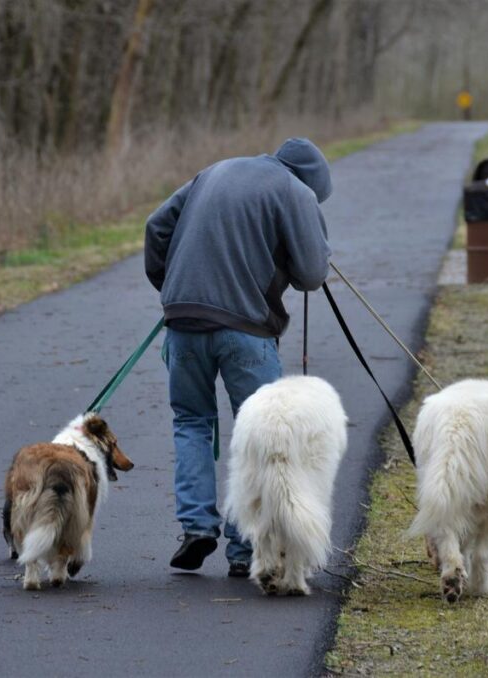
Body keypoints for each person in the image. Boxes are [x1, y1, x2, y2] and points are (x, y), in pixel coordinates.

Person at [144, 137, 333, 576]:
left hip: (184, 320)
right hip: (246, 329)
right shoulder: (295, 191)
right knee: (262, 436)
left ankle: (197, 527)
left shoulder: (214, 171)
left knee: (191, 421)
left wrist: (172, 289)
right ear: (311, 184)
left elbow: (156, 227)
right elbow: (311, 273)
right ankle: (244, 547)